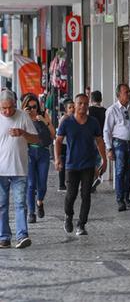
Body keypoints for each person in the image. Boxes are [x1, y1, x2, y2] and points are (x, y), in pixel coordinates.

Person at [55, 93, 107, 236]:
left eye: (85, 103)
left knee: (86, 195)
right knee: (71, 195)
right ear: (75, 105)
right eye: (80, 104)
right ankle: (68, 216)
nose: (83, 106)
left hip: (88, 164)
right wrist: (58, 158)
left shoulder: (93, 122)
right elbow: (58, 141)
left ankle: (81, 224)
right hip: (72, 165)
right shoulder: (67, 122)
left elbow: (99, 141)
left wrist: (104, 159)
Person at [0, 90, 40, 248]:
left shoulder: (23, 116)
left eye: (10, 107)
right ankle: (4, 237)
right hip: (1, 170)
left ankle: (22, 235)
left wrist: (23, 133)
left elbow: (36, 139)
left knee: (20, 204)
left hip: (20, 168)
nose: (7, 111)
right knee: (1, 205)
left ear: (15, 104)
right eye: (4, 108)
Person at [104, 83, 130, 212]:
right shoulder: (112, 110)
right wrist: (109, 148)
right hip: (119, 143)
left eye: (129, 92)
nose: (129, 94)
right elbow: (107, 130)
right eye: (126, 92)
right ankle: (120, 199)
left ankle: (126, 197)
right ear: (118, 95)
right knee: (120, 171)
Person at [22, 94, 55, 224]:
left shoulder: (43, 115)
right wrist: (24, 117)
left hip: (43, 153)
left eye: (34, 106)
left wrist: (44, 121)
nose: (32, 109)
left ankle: (39, 202)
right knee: (30, 184)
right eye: (29, 107)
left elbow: (53, 134)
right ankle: (31, 212)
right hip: (29, 152)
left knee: (42, 184)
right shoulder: (22, 117)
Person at [88, 90, 106, 193]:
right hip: (101, 139)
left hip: (91, 138)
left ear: (91, 99)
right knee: (99, 161)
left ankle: (92, 180)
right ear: (101, 99)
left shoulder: (89, 110)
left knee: (91, 160)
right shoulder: (105, 111)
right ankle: (96, 177)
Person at [56, 99, 75, 192]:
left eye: (73, 107)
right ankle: (61, 184)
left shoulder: (74, 118)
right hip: (63, 145)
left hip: (70, 145)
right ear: (66, 109)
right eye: (70, 107)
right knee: (62, 164)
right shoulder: (65, 118)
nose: (72, 109)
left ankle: (69, 182)